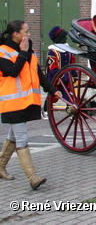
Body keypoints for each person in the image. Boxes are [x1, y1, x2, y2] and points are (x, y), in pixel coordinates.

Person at [0, 20, 62, 189]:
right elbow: (12, 72)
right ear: (15, 34)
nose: (28, 34)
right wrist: (22, 53)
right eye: (26, 32)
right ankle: (32, 177)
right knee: (21, 137)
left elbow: (38, 74)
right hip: (11, 103)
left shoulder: (30, 50)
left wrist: (51, 89)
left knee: (13, 136)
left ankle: (0, 166)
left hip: (26, 102)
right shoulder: (3, 52)